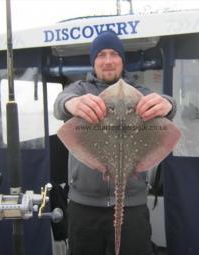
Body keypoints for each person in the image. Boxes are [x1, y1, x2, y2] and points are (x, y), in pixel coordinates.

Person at [54, 30, 177, 255]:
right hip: (84, 208)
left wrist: (168, 104)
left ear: (122, 60)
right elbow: (61, 102)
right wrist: (71, 104)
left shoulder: (138, 92)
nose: (108, 60)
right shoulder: (80, 89)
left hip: (132, 206)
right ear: (94, 61)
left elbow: (164, 105)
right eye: (101, 55)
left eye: (114, 54)